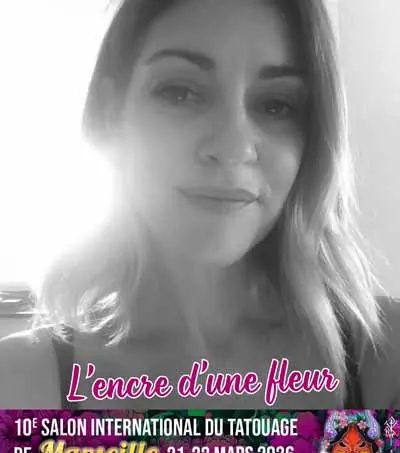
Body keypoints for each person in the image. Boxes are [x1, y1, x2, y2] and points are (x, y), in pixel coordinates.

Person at [0, 0, 399, 410]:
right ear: (109, 113)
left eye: (276, 104)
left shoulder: (386, 361)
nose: (233, 147)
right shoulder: (17, 384)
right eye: (179, 92)